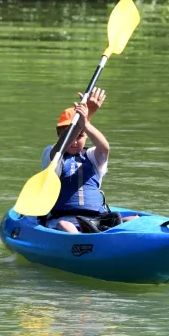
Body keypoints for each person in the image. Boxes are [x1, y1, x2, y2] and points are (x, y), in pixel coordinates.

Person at [41, 87, 133, 233]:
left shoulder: (92, 156)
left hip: (97, 219)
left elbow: (105, 148)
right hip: (63, 220)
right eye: (70, 135)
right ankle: (80, 243)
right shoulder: (52, 154)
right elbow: (61, 147)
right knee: (66, 226)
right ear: (59, 134)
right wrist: (87, 115)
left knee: (133, 220)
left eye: (80, 136)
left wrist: (86, 122)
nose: (74, 141)